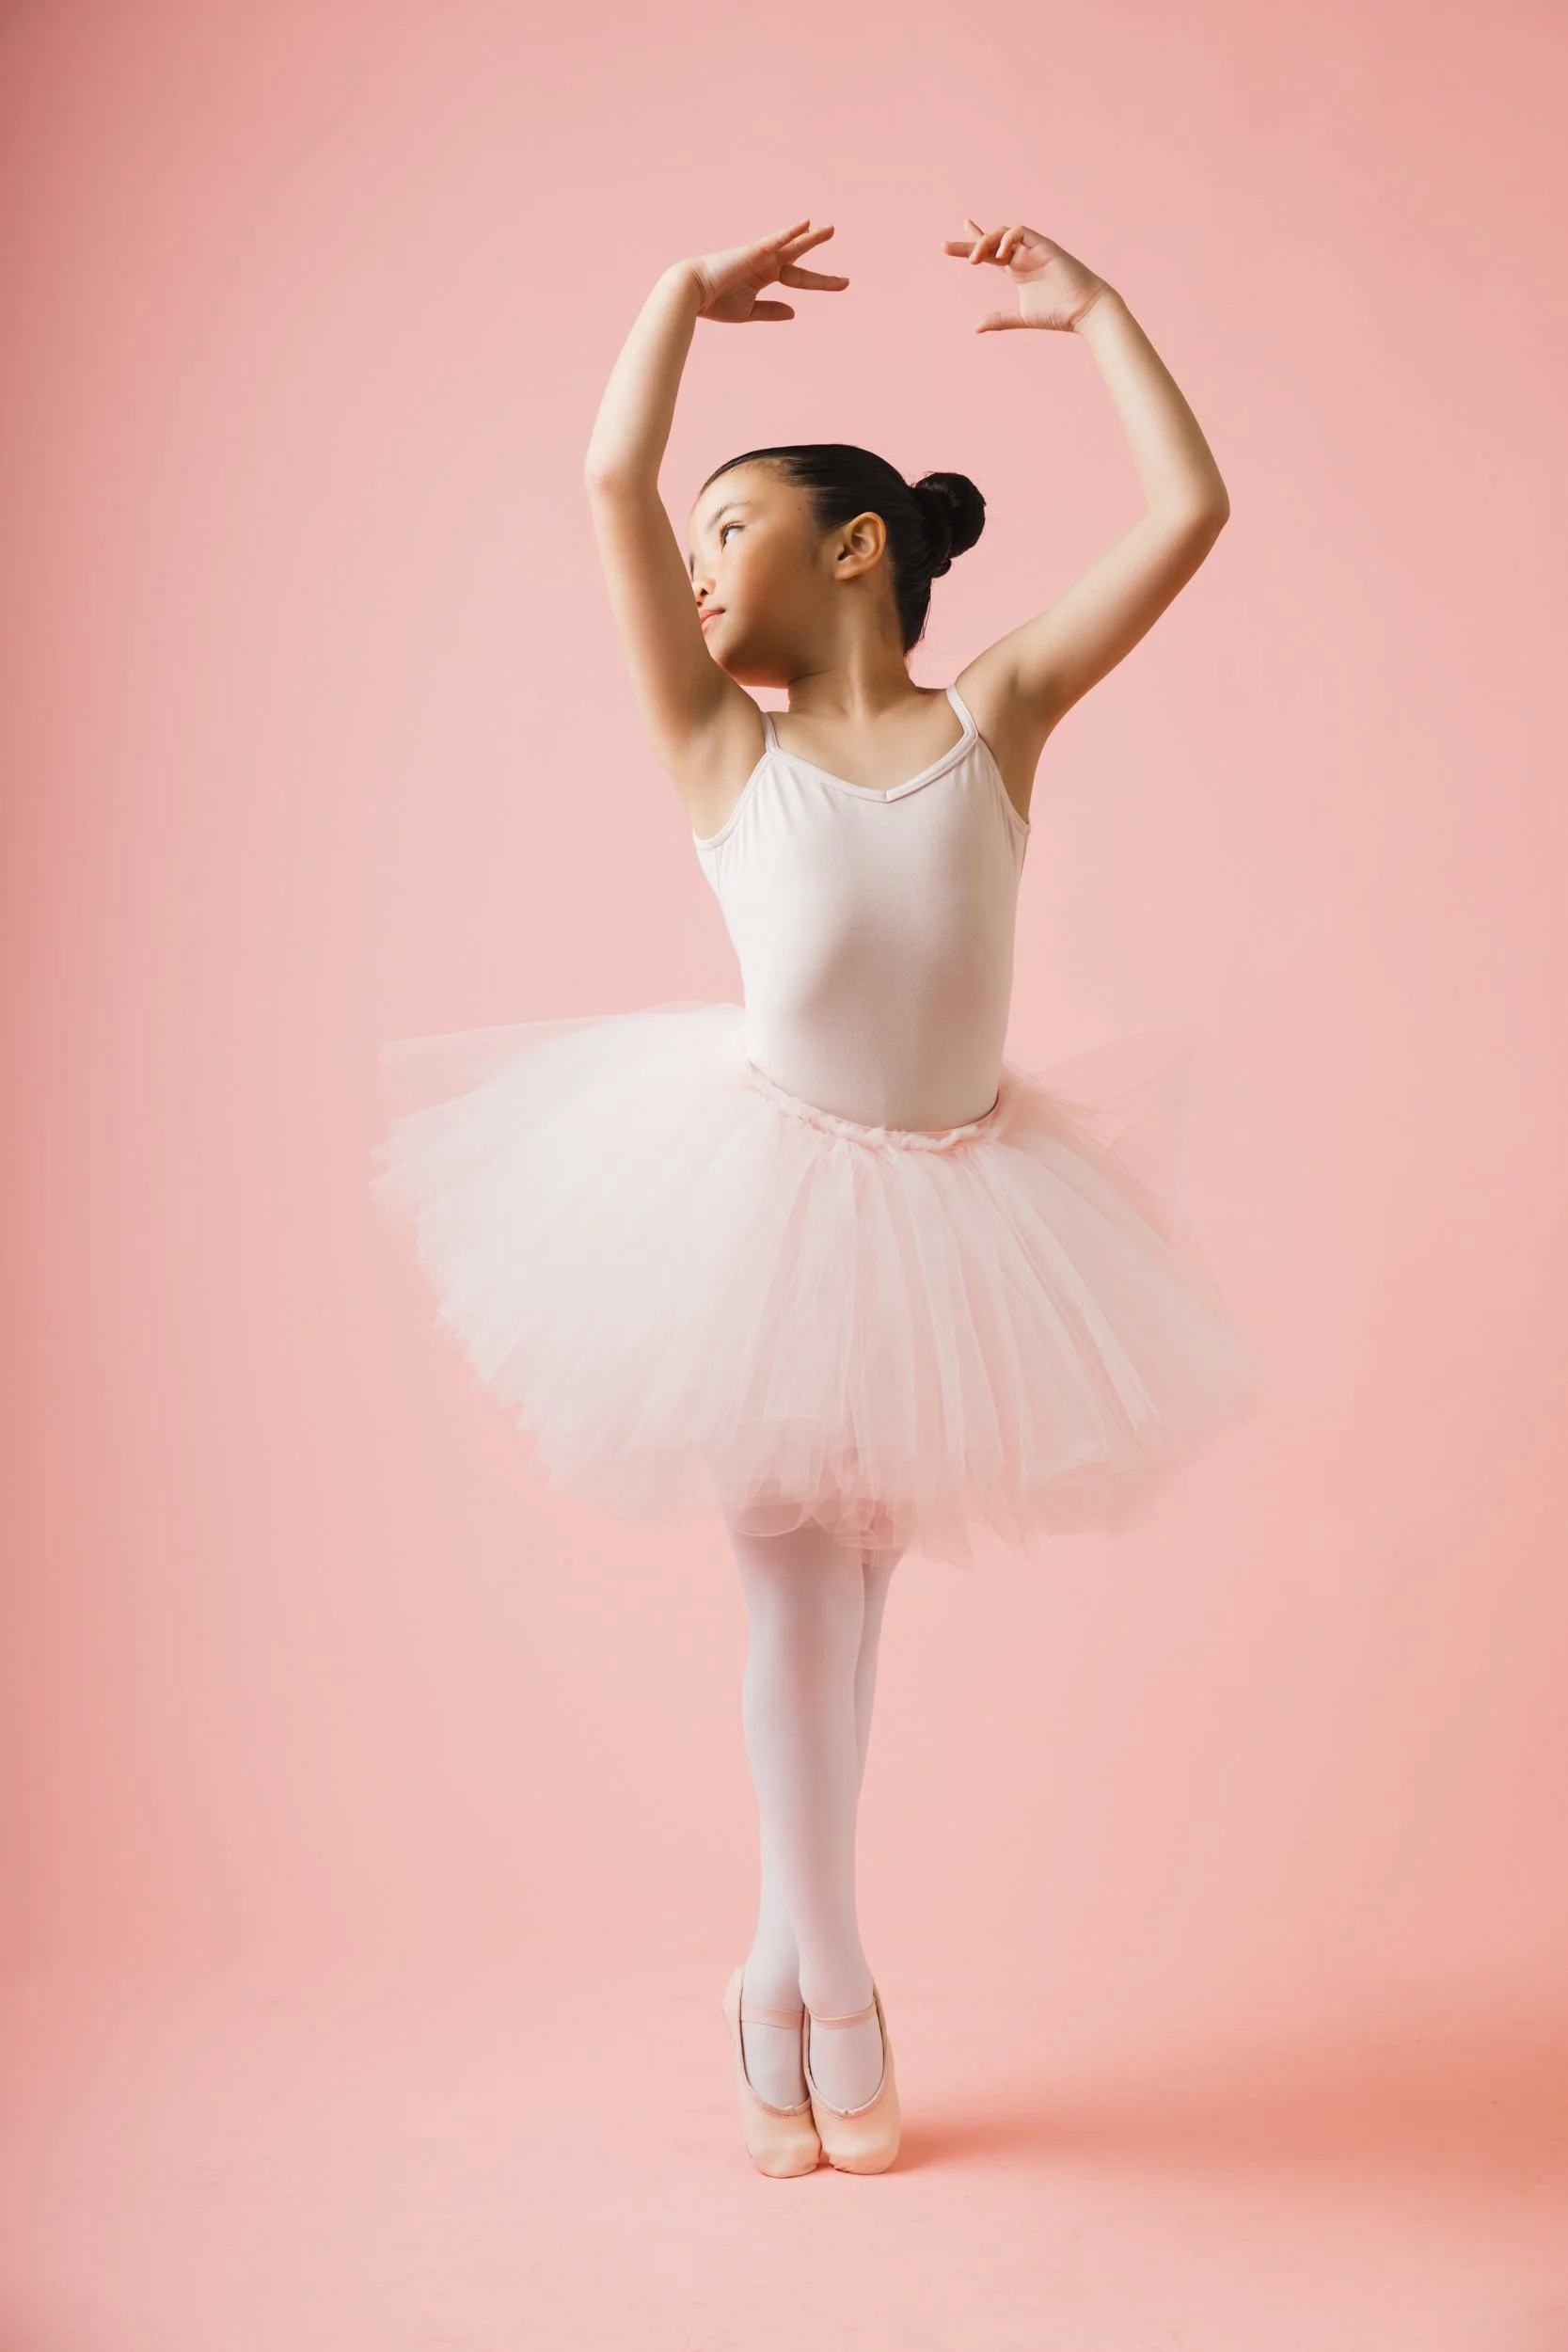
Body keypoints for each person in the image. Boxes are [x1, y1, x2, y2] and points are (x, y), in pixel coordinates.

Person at [370, 215, 1265, 2179]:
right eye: (686, 554)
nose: (688, 573)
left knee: (852, 1623)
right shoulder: (717, 752)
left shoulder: (997, 713)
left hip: (954, 1206)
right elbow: (607, 477)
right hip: (764, 1211)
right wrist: (670, 309)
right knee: (793, 1613)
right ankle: (838, 1993)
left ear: (850, 547)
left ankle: (769, 1965)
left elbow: (1188, 507)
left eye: (728, 535)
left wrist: (1104, 313)